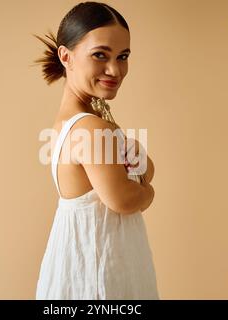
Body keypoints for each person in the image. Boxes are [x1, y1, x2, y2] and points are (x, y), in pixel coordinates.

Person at [33, 1, 159, 299]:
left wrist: (137, 164)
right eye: (100, 55)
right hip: (97, 271)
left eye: (123, 56)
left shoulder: (78, 122)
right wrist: (149, 192)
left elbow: (141, 168)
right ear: (67, 56)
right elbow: (124, 198)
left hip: (86, 262)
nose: (114, 69)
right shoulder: (91, 128)